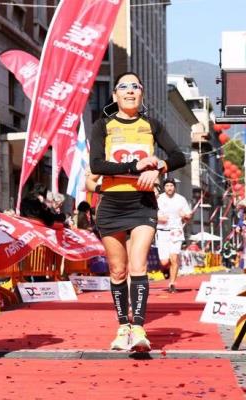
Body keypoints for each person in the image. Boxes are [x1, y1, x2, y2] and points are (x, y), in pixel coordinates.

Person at [88, 72, 186, 351]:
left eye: (135, 86)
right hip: (111, 204)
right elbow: (97, 165)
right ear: (115, 95)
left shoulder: (152, 125)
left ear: (141, 94)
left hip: (142, 205)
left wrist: (159, 166)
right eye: (123, 87)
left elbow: (179, 156)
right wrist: (135, 167)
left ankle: (140, 329)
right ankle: (123, 327)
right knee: (118, 271)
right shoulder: (102, 126)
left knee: (138, 265)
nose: (130, 91)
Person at [156, 177, 192, 293]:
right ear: (164, 187)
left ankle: (172, 283)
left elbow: (188, 215)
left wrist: (185, 216)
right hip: (162, 232)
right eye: (167, 186)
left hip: (176, 231)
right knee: (164, 262)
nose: (169, 188)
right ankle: (166, 270)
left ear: (174, 187)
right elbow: (151, 214)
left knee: (174, 258)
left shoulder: (181, 199)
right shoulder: (158, 199)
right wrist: (159, 218)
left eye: (171, 186)